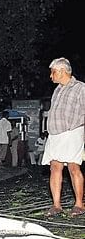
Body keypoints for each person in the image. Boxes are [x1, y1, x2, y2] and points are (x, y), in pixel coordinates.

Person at [42, 57, 85, 217]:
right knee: (55, 167)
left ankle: (79, 205)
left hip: (72, 132)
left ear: (61, 71)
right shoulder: (57, 89)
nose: (51, 76)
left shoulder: (80, 88)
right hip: (55, 135)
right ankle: (56, 205)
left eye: (53, 72)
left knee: (74, 167)